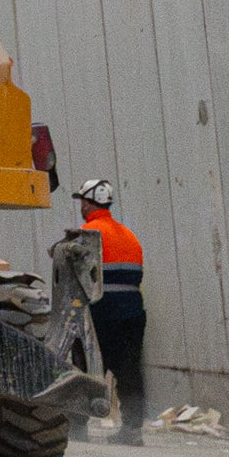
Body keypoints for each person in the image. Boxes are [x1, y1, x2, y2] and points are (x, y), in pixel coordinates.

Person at [77, 178, 149, 442]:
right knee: (129, 371)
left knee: (85, 370)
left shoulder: (88, 234)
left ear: (87, 202)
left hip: (101, 314)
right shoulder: (129, 235)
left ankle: (77, 427)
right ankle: (132, 429)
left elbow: (77, 275)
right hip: (132, 314)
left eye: (81, 201)